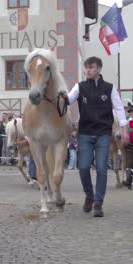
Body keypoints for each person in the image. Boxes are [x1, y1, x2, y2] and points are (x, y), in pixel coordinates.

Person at [64, 56, 128, 217]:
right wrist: (58, 95)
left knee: (101, 168)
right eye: (86, 67)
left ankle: (98, 203)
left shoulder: (109, 88)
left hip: (103, 134)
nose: (88, 70)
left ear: (98, 69)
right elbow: (68, 99)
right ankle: (89, 195)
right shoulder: (80, 87)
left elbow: (119, 109)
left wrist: (124, 129)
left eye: (91, 67)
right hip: (85, 133)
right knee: (84, 167)